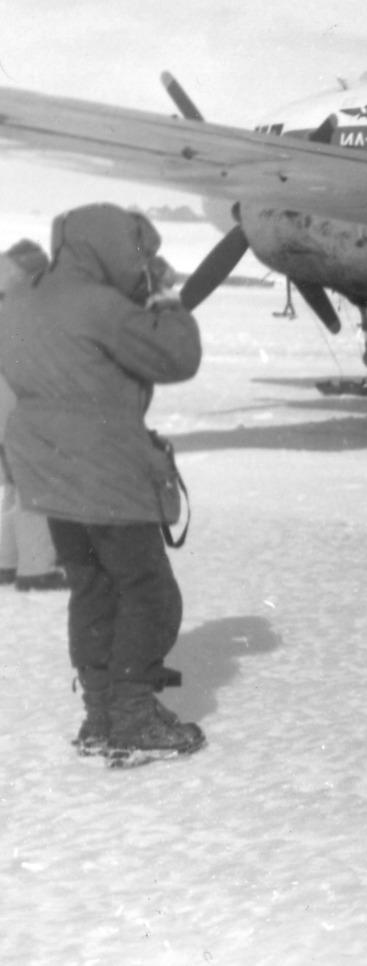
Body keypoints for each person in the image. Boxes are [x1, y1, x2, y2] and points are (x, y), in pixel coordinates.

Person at [0, 203, 207, 762]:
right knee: (149, 592)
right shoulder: (99, 305)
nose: (141, 263)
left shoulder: (22, 300)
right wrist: (165, 299)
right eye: (138, 252)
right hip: (104, 472)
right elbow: (178, 356)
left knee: (93, 587)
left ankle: (99, 716)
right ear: (113, 247)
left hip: (48, 471)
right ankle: (134, 717)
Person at [0, 239, 66, 591]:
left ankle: (6, 561)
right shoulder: (27, 311)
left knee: (13, 489)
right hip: (20, 412)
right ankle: (36, 569)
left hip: (4, 415)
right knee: (35, 490)